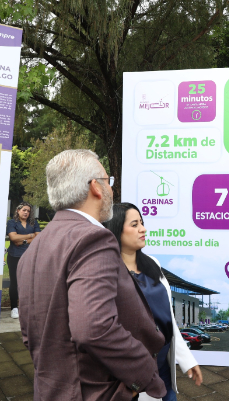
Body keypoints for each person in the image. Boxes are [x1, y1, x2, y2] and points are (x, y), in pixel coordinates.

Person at [17, 150, 166, 401]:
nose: (111, 189)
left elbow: (29, 331)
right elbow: (94, 328)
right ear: (96, 187)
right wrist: (145, 375)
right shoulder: (93, 238)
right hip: (98, 392)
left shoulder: (36, 246)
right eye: (108, 181)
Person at [104, 203, 203, 401]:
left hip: (163, 367)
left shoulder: (153, 264)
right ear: (116, 229)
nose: (143, 229)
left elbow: (168, 318)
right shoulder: (107, 271)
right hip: (134, 373)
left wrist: (186, 359)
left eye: (142, 222)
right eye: (134, 224)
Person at [5, 202, 40, 319]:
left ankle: (27, 307)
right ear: (18, 210)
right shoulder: (12, 222)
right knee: (15, 282)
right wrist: (30, 236)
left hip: (31, 256)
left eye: (28, 211)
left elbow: (39, 237)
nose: (26, 212)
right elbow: (13, 237)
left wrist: (23, 241)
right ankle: (14, 308)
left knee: (30, 281)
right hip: (14, 256)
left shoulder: (33, 222)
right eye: (24, 210)